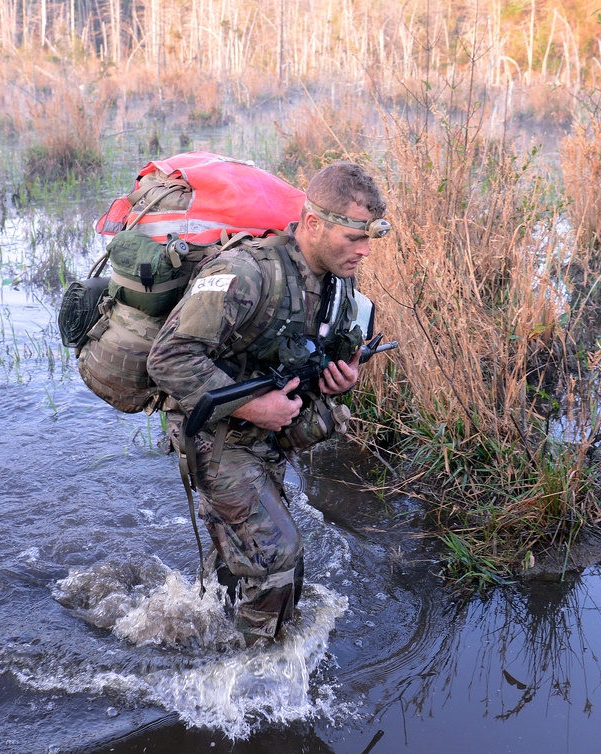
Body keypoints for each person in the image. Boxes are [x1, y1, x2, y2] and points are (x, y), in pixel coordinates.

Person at [146, 161, 388, 645]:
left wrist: (341, 379)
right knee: (279, 555)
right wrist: (254, 407)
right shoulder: (246, 273)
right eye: (353, 237)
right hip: (216, 435)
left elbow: (316, 357)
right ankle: (251, 669)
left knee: (247, 556)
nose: (363, 251)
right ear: (314, 224)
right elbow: (167, 358)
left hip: (269, 436)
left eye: (369, 240)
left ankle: (209, 627)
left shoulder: (339, 284)